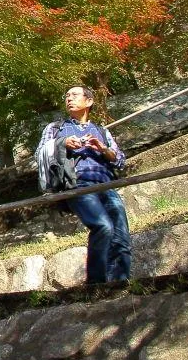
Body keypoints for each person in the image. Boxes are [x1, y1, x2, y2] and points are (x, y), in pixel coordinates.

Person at [37, 85, 131, 284]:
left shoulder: (101, 131)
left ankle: (121, 283)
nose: (69, 99)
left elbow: (120, 160)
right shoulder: (55, 129)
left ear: (88, 101)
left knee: (121, 234)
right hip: (77, 184)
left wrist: (102, 148)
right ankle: (96, 285)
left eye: (74, 95)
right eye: (67, 96)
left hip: (106, 185)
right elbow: (40, 154)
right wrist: (62, 143)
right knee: (103, 226)